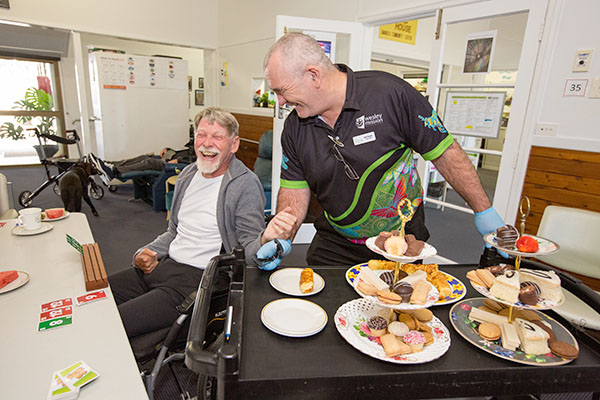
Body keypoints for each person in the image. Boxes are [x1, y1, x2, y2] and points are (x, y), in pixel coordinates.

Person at [263, 32, 506, 266]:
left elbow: (444, 152)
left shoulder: (390, 94)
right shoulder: (295, 127)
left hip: (400, 243)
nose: (280, 101)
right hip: (335, 244)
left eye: (281, 90)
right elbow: (294, 191)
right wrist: (282, 235)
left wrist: (483, 211)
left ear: (313, 75)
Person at [109, 107, 295, 339]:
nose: (207, 143)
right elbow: (173, 231)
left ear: (234, 144)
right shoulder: (188, 174)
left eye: (217, 137)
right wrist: (145, 252)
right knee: (96, 298)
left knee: (113, 323)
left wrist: (265, 239)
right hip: (163, 266)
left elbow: (247, 249)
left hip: (194, 280)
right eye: (201, 135)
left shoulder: (244, 185)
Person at [89, 146, 195, 185]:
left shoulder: (205, 154)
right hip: (169, 158)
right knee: (142, 157)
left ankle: (114, 171)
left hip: (174, 166)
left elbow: (194, 162)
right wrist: (168, 149)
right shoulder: (195, 145)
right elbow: (183, 151)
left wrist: (179, 160)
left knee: (148, 163)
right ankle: (110, 164)